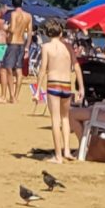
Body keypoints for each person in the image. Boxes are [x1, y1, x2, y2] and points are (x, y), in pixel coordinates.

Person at [37, 21, 78, 162]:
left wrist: (37, 90)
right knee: (65, 118)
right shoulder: (67, 47)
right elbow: (76, 65)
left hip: (53, 84)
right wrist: (81, 87)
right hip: (67, 84)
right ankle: (67, 150)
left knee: (55, 120)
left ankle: (58, 155)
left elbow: (43, 69)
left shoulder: (46, 47)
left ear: (48, 34)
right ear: (61, 33)